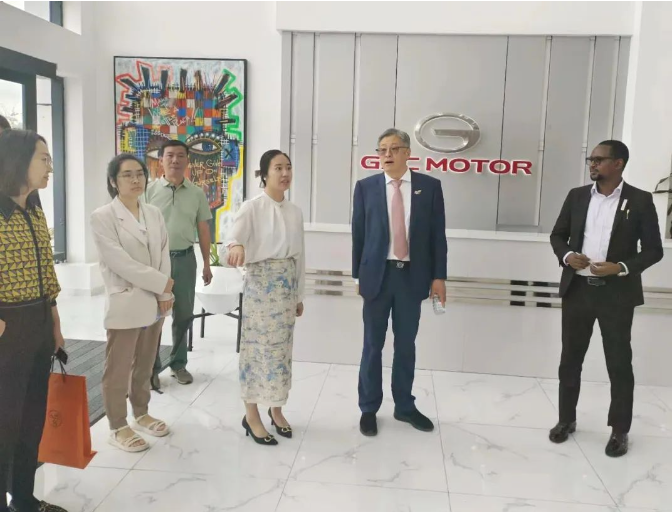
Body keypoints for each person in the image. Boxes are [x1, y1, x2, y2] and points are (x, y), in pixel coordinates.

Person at [549, 140, 663, 457]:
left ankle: (619, 431)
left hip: (616, 295)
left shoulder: (639, 200)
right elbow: (557, 235)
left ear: (618, 163)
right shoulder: (577, 196)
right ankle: (566, 420)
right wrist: (568, 255)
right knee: (570, 360)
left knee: (619, 363)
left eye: (599, 159)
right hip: (578, 291)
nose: (593, 164)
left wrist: (621, 267)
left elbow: (654, 250)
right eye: (591, 159)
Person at [352, 128, 447, 437]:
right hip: (377, 278)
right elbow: (358, 234)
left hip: (411, 277)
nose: (387, 155)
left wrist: (439, 277)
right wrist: (358, 276)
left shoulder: (429, 187)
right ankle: (368, 408)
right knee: (372, 345)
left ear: (407, 153)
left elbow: (437, 236)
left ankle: (404, 405)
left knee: (405, 345)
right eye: (382, 149)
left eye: (394, 148)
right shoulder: (365, 187)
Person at [0, 130, 68, 512]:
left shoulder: (34, 207)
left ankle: (24, 500)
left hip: (40, 322)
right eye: (43, 158)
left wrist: (54, 322)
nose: (49, 167)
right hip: (7, 329)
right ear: (17, 160)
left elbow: (46, 270)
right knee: (3, 426)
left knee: (30, 421)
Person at [91, 154, 174, 452]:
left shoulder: (153, 213)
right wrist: (161, 284)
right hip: (126, 299)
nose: (136, 179)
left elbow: (163, 253)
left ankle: (141, 412)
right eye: (127, 175)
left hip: (155, 300)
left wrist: (164, 294)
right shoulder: (102, 216)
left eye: (139, 173)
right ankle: (117, 425)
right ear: (113, 181)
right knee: (118, 367)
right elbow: (119, 262)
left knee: (145, 362)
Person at [224, 150, 305, 446]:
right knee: (256, 353)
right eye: (278, 168)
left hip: (286, 290)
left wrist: (298, 294)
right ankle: (251, 415)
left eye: (288, 167)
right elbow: (231, 241)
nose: (285, 173)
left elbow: (300, 257)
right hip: (260, 290)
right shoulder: (252, 207)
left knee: (281, 355)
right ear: (265, 174)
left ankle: (276, 409)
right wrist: (235, 247)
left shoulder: (295, 211)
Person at [146, 140, 213, 388]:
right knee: (154, 316)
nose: (175, 160)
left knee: (183, 314)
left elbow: (203, 230)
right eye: (170, 155)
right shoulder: (148, 191)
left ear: (187, 160)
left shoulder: (196, 193)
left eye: (180, 156)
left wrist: (206, 264)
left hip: (185, 260)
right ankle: (151, 368)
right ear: (161, 160)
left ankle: (178, 364)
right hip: (155, 262)